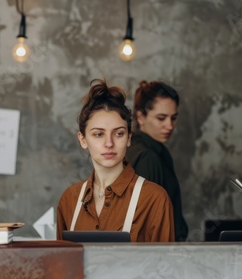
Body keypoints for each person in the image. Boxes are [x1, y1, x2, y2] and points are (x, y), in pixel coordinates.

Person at [57, 79, 175, 242]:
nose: (109, 143)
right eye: (98, 134)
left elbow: (165, 266)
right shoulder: (69, 200)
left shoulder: (154, 199)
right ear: (83, 139)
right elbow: (63, 264)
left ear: (129, 138)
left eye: (118, 133)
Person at [126, 80, 188, 241]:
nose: (169, 125)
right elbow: (145, 226)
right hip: (158, 258)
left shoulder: (145, 151)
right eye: (161, 118)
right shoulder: (147, 157)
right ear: (140, 117)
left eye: (173, 118)